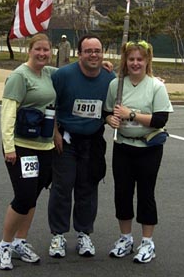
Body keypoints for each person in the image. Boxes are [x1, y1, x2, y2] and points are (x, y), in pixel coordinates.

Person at [104, 40, 173, 264]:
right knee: (122, 193)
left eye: (139, 59)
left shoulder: (156, 86)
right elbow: (107, 112)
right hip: (123, 145)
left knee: (145, 193)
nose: (135, 63)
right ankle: (125, 238)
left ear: (147, 61)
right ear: (125, 61)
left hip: (148, 148)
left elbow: (161, 119)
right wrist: (111, 119)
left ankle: (147, 242)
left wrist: (130, 114)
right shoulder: (117, 85)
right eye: (131, 59)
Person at [48, 34, 116, 258]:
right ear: (79, 54)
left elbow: (110, 108)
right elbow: (50, 104)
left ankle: (84, 234)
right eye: (88, 51)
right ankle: (58, 235)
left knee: (87, 188)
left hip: (93, 142)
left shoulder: (109, 77)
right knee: (62, 187)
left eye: (97, 50)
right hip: (66, 140)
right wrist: (54, 131)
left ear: (103, 53)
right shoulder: (64, 75)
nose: (93, 55)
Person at [0, 33, 57, 270]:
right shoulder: (19, 76)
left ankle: (21, 242)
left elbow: (75, 72)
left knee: (33, 197)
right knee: (23, 197)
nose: (42, 53)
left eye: (46, 50)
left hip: (45, 147)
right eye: (38, 49)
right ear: (29, 50)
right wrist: (9, 147)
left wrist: (103, 67)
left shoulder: (49, 73)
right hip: (22, 148)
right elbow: (8, 113)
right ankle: (5, 245)